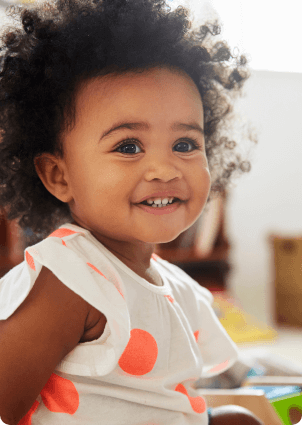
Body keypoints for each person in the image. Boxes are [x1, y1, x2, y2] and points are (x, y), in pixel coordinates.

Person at [0, 0, 261, 424]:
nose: (164, 168)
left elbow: (162, 398)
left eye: (184, 145)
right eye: (128, 147)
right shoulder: (71, 280)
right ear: (58, 175)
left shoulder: (177, 287)